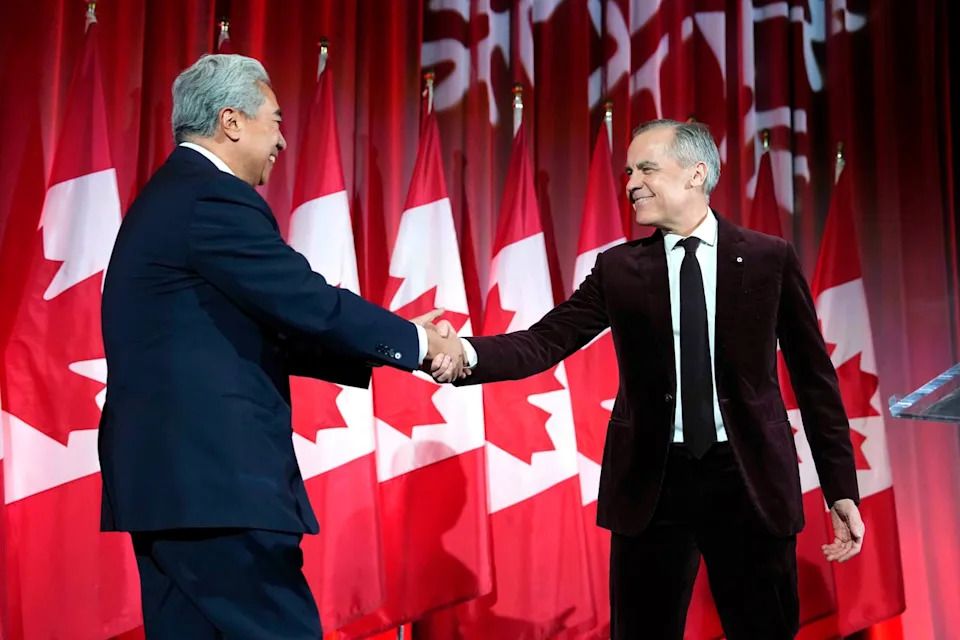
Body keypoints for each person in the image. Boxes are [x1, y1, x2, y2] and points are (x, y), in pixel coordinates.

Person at [440, 119, 865, 639]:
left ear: (695, 174)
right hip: (652, 485)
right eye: (627, 172)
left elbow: (815, 380)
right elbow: (544, 341)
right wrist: (462, 353)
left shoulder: (767, 258)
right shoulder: (619, 269)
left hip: (749, 479)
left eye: (646, 169)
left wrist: (840, 489)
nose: (631, 184)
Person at [98, 54, 464, 640]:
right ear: (231, 121)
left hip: (174, 490)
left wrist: (388, 344)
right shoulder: (212, 197)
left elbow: (258, 328)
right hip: (217, 489)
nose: (282, 140)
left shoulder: (171, 196)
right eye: (274, 120)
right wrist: (416, 343)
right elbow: (305, 300)